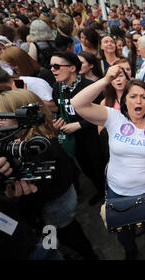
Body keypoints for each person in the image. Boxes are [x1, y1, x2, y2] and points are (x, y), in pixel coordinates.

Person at [70, 68, 145, 260]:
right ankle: (130, 250)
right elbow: (77, 104)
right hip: (118, 190)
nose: (139, 101)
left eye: (143, 97)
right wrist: (106, 79)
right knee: (123, 228)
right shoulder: (114, 118)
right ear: (125, 100)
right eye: (133, 96)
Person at [0, 89, 98, 260]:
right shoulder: (39, 136)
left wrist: (27, 216)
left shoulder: (37, 150)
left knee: (67, 231)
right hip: (63, 194)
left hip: (56, 204)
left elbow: (37, 193)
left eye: (3, 116)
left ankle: (88, 255)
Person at [50, 51, 106, 205]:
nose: (52, 70)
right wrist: (58, 123)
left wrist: (79, 125)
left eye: (56, 66)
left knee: (98, 169)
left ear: (72, 68)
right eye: (51, 66)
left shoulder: (89, 87)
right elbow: (61, 109)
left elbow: (104, 115)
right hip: (73, 140)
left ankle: (107, 194)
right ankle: (100, 190)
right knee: (86, 169)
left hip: (93, 139)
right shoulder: (57, 87)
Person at [0, 46, 55, 111]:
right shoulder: (18, 76)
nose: (12, 68)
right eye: (9, 65)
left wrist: (27, 98)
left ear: (22, 62)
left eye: (14, 65)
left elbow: (54, 103)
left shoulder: (43, 74)